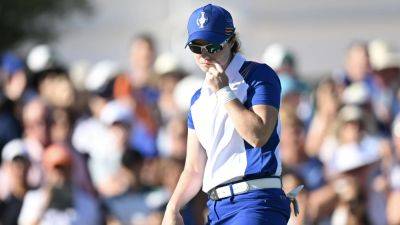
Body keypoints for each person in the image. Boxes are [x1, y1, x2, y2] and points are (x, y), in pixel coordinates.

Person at [162, 4, 299, 225]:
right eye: (197, 46)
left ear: (231, 41)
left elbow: (258, 135)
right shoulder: (198, 99)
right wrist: (173, 208)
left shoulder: (258, 75)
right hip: (217, 208)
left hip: (256, 201)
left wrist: (225, 92)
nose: (204, 53)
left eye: (212, 45)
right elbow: (194, 168)